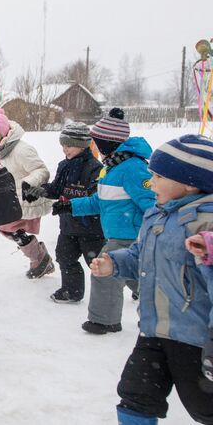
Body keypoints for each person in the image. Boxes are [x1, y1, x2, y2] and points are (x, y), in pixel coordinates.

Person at [89, 134, 213, 425]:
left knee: (203, 407)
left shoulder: (205, 224)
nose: (151, 182)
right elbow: (139, 254)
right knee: (135, 396)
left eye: (158, 176)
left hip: (193, 339)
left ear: (189, 183)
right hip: (153, 330)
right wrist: (113, 264)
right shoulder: (156, 216)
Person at [61, 108, 154, 335]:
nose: (96, 145)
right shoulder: (112, 166)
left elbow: (152, 204)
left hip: (130, 235)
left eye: (99, 141)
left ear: (109, 142)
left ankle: (104, 321)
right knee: (134, 277)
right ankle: (162, 306)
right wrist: (71, 205)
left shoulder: (133, 168)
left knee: (104, 272)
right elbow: (102, 200)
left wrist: (154, 233)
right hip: (118, 232)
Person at [24, 123, 105, 303]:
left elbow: (96, 199)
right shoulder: (64, 166)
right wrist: (41, 191)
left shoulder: (95, 168)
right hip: (68, 225)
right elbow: (57, 189)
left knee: (98, 264)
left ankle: (126, 286)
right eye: (63, 144)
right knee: (65, 257)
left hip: (91, 227)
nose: (64, 148)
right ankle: (72, 291)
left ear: (82, 145)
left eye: (69, 144)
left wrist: (70, 205)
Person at [0, 108, 53, 278]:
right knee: (7, 229)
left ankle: (40, 259)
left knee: (9, 229)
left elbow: (41, 170)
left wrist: (29, 184)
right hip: (13, 200)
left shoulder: (21, 150)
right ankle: (39, 258)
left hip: (27, 198)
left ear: (2, 134)